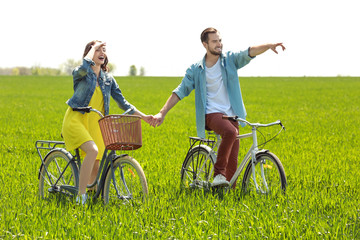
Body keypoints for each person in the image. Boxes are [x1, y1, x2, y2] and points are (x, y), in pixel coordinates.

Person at [154, 27, 285, 187]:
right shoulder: (196, 69)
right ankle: (218, 174)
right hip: (211, 115)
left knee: (232, 170)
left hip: (232, 116)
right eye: (214, 41)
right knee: (230, 133)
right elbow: (180, 92)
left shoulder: (230, 60)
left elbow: (248, 52)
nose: (219, 44)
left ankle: (224, 192)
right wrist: (162, 112)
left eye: (220, 40)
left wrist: (269, 45)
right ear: (205, 44)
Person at [62, 40, 155, 204]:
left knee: (97, 164)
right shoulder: (81, 73)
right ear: (90, 53)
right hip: (76, 119)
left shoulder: (108, 79)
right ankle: (80, 196)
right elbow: (85, 67)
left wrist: (144, 117)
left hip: (97, 123)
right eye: (97, 50)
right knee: (92, 151)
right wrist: (92, 49)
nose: (102, 53)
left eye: (103, 50)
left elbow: (124, 103)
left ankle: (93, 195)